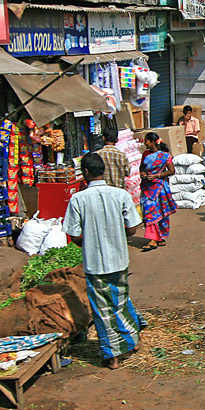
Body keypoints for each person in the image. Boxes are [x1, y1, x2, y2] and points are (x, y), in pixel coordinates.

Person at [63, 152, 144, 370]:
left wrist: (88, 238)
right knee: (120, 301)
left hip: (94, 263)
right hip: (119, 259)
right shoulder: (120, 195)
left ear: (85, 173)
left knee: (102, 309)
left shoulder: (78, 199)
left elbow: (74, 235)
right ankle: (132, 340)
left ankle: (112, 356)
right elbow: (132, 228)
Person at [139, 132, 177, 251]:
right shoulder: (145, 154)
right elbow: (142, 167)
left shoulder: (165, 156)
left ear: (152, 141)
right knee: (149, 211)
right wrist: (143, 173)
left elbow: (171, 171)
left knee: (157, 211)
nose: (145, 143)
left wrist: (157, 175)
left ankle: (154, 239)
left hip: (159, 188)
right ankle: (157, 237)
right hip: (147, 188)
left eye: (146, 140)